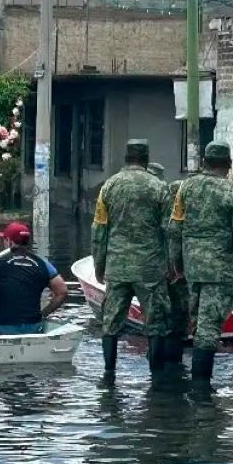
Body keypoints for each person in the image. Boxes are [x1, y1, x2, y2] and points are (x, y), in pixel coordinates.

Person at [169, 141, 233, 385]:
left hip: (192, 268)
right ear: (229, 165)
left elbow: (175, 229)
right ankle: (201, 391)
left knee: (199, 322)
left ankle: (191, 385)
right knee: (209, 328)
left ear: (204, 163)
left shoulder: (185, 188)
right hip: (219, 271)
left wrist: (176, 263)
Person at [92, 139, 171, 374]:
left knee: (111, 322)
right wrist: (172, 264)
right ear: (146, 159)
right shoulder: (158, 187)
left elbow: (99, 230)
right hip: (150, 268)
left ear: (125, 158)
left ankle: (109, 373)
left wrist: (99, 263)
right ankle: (155, 374)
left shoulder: (109, 186)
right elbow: (170, 230)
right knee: (156, 322)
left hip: (117, 267)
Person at [0, 221, 68, 335]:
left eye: (4, 240)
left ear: (9, 242)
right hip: (33, 325)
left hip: (1, 326)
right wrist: (43, 314)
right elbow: (62, 292)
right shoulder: (43, 264)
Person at [148, 162, 191, 364]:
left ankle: (158, 363)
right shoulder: (172, 196)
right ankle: (172, 362)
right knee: (176, 314)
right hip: (171, 266)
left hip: (156, 267)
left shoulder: (164, 197)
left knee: (161, 315)